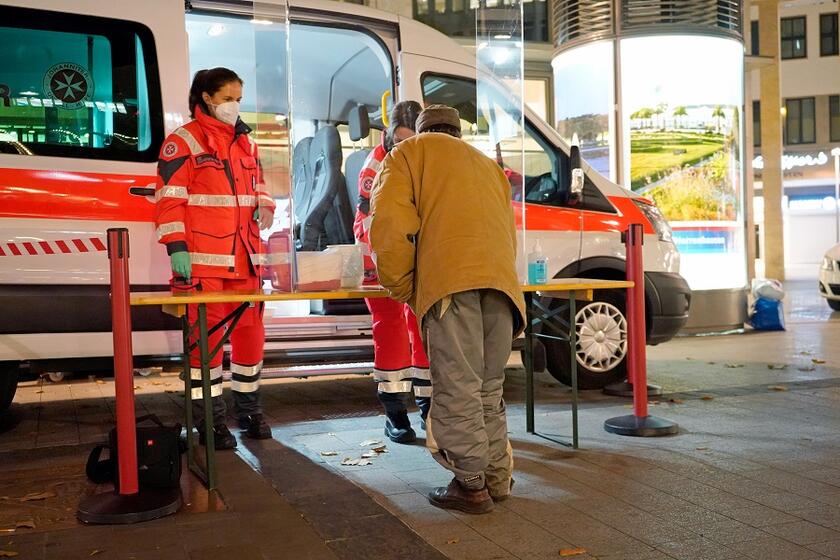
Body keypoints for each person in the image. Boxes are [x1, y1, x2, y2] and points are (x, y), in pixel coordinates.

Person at [369, 105, 526, 514]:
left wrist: (404, 288)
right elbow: (507, 235)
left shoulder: (408, 154)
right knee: (488, 388)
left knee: (457, 386)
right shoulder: (488, 166)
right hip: (502, 289)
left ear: (422, 130)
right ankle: (497, 479)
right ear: (457, 132)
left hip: (450, 287)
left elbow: (388, 228)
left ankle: (470, 485)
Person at [155, 67, 275, 450]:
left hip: (246, 260)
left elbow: (259, 185)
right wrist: (176, 247)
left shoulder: (246, 143)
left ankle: (250, 411)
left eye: (238, 98)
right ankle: (210, 420)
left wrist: (265, 205)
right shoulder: (183, 141)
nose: (234, 105)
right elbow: (169, 199)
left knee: (250, 340)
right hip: (204, 264)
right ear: (207, 98)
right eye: (227, 98)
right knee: (204, 347)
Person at [354, 100, 430, 444]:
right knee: (391, 332)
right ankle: (396, 413)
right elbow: (372, 221)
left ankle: (430, 409)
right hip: (380, 262)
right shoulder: (377, 164)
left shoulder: (427, 160)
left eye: (411, 140)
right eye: (399, 140)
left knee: (424, 331)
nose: (404, 147)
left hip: (416, 262)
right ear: (388, 135)